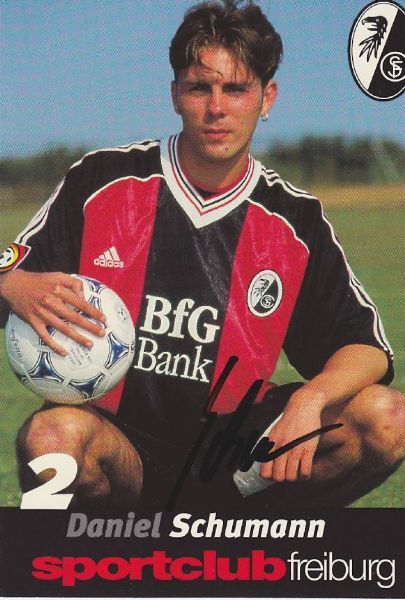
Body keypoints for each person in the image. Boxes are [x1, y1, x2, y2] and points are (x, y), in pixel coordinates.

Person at [0, 0, 403, 509]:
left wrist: (311, 397)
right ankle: (88, 555)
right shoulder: (101, 181)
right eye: (199, 88)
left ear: (267, 97)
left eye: (236, 89)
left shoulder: (295, 222)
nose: (217, 108)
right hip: (117, 442)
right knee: (50, 440)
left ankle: (257, 540)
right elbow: (10, 273)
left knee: (387, 418)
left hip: (238, 457)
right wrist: (11, 283)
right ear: (175, 95)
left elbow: (365, 347)